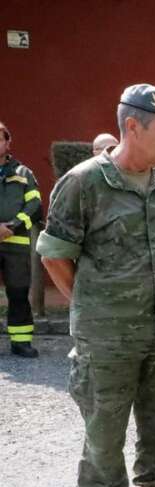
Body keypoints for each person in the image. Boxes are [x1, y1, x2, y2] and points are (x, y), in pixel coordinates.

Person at [37, 84, 155, 487]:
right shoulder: (85, 182)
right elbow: (55, 253)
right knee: (104, 435)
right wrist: (93, 304)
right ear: (133, 127)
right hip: (106, 340)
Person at [0, 120, 42, 358]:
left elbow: (35, 206)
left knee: (18, 294)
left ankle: (21, 342)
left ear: (7, 143)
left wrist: (12, 227)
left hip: (16, 245)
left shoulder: (24, 173)